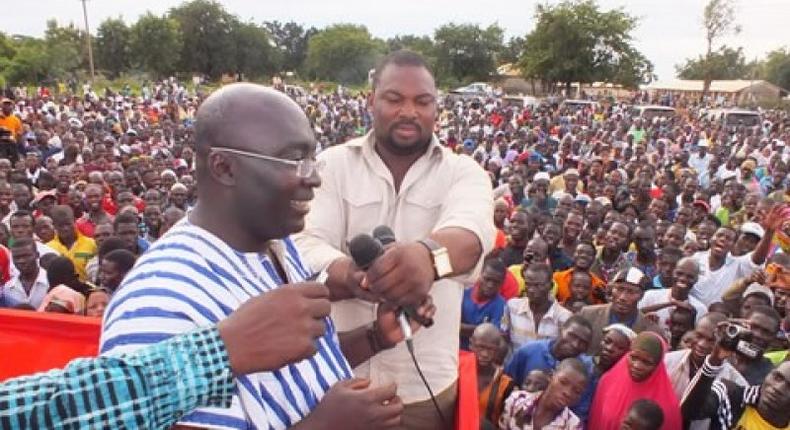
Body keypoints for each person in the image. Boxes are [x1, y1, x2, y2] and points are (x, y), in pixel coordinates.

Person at [101, 83, 430, 429]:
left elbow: (282, 377)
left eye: (311, 159)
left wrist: (376, 337)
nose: (314, 178)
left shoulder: (276, 244)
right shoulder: (158, 304)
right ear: (224, 167)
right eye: (294, 160)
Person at [294, 51, 494, 429]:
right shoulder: (331, 166)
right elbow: (303, 247)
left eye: (422, 101)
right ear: (372, 101)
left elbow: (471, 236)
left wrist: (427, 260)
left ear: (437, 107)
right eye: (394, 99)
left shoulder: (465, 173)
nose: (409, 111)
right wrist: (356, 278)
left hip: (425, 391)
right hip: (336, 382)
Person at [0, 287, 364, 429]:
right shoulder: (151, 303)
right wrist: (224, 348)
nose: (310, 177)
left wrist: (374, 338)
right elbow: (60, 413)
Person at [682, 337, 790, 429]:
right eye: (777, 377)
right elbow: (689, 412)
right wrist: (713, 363)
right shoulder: (730, 395)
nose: (778, 388)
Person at [504, 316, 594, 419]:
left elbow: (581, 412)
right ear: (561, 330)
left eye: (583, 342)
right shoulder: (529, 351)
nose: (575, 344)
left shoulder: (586, 372)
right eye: (572, 336)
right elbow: (506, 385)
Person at [588, 332, 682, 430]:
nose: (637, 366)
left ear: (658, 366)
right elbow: (595, 420)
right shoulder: (608, 382)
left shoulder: (668, 407)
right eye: (633, 357)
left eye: (646, 362)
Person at [690, 207, 782, 307]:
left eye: (728, 238)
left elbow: (756, 259)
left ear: (733, 245)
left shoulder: (737, 264)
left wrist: (769, 232)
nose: (723, 239)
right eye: (719, 235)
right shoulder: (695, 259)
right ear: (711, 239)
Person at [579, 267, 663, 356]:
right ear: (612, 290)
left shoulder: (649, 328)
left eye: (631, 292)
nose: (622, 297)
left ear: (641, 296)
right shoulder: (588, 314)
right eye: (619, 289)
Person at [498, 358, 589, 430]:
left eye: (577, 391)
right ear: (551, 376)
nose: (568, 393)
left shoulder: (573, 425)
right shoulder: (516, 400)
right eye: (563, 382)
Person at [502, 262, 572, 349]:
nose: (531, 290)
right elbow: (503, 339)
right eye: (528, 284)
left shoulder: (564, 317)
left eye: (538, 285)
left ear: (551, 286)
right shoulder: (512, 307)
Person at [638, 257, 706, 339]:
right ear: (673, 273)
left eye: (690, 276)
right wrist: (671, 303)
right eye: (679, 273)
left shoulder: (700, 309)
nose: (683, 278)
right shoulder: (651, 296)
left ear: (696, 279)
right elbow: (635, 315)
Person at [469, 323, 514, 428]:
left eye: (491, 349)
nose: (485, 354)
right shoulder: (458, 373)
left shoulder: (506, 385)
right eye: (480, 347)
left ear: (498, 349)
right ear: (471, 344)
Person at [460, 255, 507, 350]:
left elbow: (492, 335)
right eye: (487, 279)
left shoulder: (501, 305)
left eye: (496, 282)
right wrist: (482, 328)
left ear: (502, 283)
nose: (490, 285)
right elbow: (451, 326)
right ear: (480, 274)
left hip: (480, 356)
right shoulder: (462, 295)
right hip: (457, 351)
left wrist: (460, 328)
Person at [46, 205, 97, 281]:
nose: (65, 228)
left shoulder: (91, 244)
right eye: (61, 225)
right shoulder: (48, 248)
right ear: (54, 226)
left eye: (68, 224)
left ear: (74, 221)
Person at [1, 238, 48, 308]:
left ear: (37, 255)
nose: (21, 261)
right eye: (17, 257)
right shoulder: (8, 289)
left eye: (26, 256)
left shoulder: (51, 282)